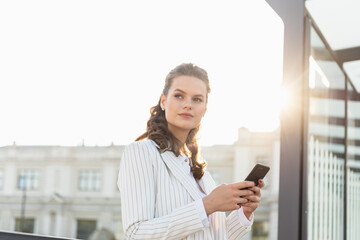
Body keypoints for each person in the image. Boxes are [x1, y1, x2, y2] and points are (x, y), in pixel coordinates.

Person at [117, 63, 264, 240]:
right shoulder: (141, 152)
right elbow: (136, 233)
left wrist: (244, 212)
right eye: (179, 96)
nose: (188, 105)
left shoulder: (199, 171)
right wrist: (208, 204)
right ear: (163, 101)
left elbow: (213, 236)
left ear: (204, 109)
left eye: (197, 99)